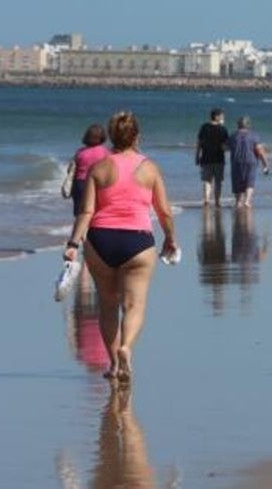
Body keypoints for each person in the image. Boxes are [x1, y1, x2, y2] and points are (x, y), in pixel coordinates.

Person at [62, 111, 176, 383]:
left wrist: (73, 244)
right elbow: (164, 211)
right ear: (137, 136)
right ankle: (126, 348)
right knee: (134, 304)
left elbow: (86, 212)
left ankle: (114, 364)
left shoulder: (99, 168)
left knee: (108, 306)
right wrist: (170, 238)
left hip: (100, 240)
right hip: (137, 241)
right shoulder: (149, 168)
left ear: (112, 137)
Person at [62, 124, 109, 217]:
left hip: (79, 184)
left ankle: (80, 230)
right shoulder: (105, 152)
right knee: (95, 213)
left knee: (80, 214)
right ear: (102, 138)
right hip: (97, 183)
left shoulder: (80, 152)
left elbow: (70, 170)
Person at [226, 116, 270, 208]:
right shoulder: (254, 135)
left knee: (237, 181)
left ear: (238, 125)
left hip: (236, 161)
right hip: (251, 161)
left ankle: (238, 202)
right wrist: (266, 164)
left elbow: (225, 147)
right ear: (248, 125)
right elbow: (260, 151)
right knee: (250, 181)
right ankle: (247, 201)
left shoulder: (233, 135)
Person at [196, 108, 229, 206]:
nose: (223, 118)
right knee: (218, 181)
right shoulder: (223, 129)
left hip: (206, 158)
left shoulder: (204, 127)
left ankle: (206, 200)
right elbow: (224, 146)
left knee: (207, 180)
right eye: (222, 116)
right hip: (219, 159)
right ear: (217, 117)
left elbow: (199, 143)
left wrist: (197, 156)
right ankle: (217, 201)